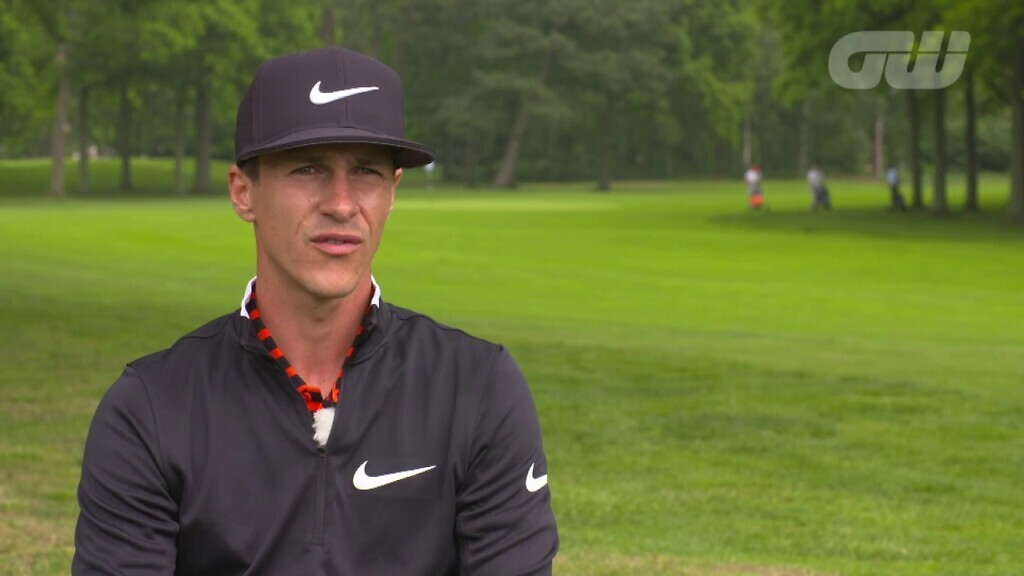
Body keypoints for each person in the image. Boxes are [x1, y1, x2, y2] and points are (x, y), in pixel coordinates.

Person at [72, 47, 558, 575]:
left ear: (392, 193)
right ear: (243, 192)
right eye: (307, 168)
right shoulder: (152, 407)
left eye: (366, 171)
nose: (342, 204)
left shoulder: (477, 388)